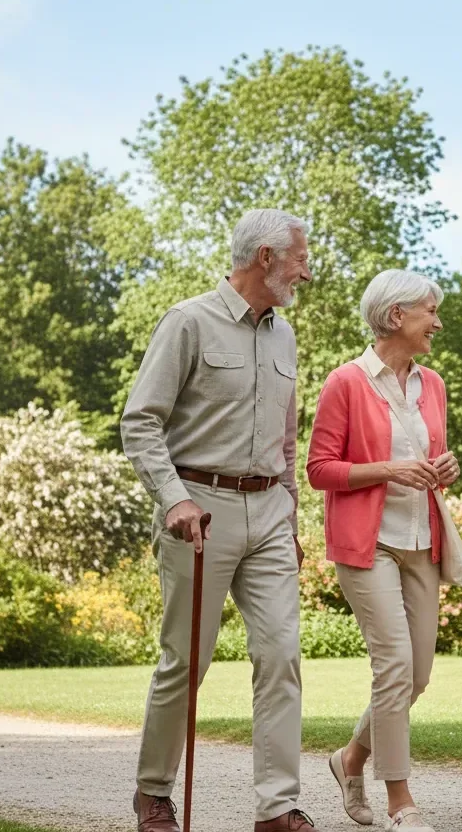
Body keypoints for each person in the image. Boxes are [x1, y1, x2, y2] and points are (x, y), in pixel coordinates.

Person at [121, 208, 316, 832]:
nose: (305, 272)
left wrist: (290, 515)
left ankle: (276, 807)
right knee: (187, 660)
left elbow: (287, 440)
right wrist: (174, 498)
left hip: (270, 512)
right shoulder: (188, 322)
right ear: (265, 258)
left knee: (282, 653)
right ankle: (154, 792)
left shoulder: (283, 336)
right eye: (299, 259)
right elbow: (141, 421)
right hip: (199, 510)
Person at [306, 269, 458, 832]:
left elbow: (435, 457)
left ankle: (350, 759)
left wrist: (446, 467)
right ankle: (401, 800)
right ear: (396, 316)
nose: (437, 323)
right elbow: (320, 469)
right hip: (368, 545)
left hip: (422, 540)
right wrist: (387, 470)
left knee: (416, 676)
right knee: (393, 666)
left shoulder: (433, 384)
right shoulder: (346, 382)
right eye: (429, 313)